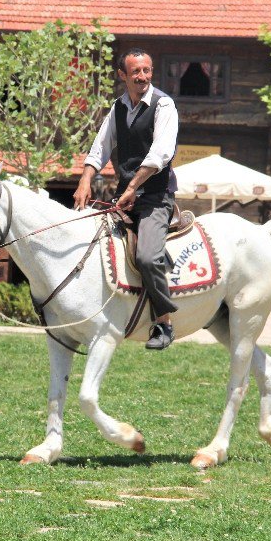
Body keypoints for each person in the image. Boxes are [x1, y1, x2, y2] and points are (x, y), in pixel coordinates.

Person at [74, 48, 179, 350]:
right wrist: (84, 179)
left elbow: (160, 153)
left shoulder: (164, 105)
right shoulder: (118, 107)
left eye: (147, 70)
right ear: (123, 76)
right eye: (136, 72)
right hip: (126, 194)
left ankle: (164, 323)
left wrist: (132, 187)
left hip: (156, 195)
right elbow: (101, 146)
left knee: (146, 256)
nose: (143, 76)